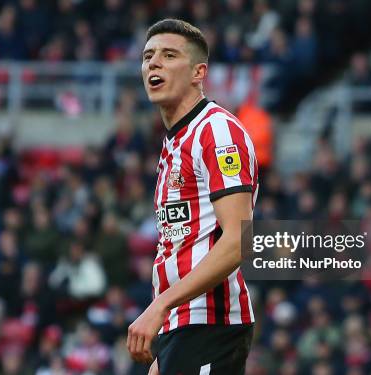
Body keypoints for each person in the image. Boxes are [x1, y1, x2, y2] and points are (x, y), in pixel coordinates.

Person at [127, 19, 259, 375]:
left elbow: (238, 241)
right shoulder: (174, 143)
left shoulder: (217, 132)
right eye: (148, 56)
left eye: (169, 55)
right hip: (182, 325)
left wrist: (159, 307)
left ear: (199, 72)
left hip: (210, 324)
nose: (154, 63)